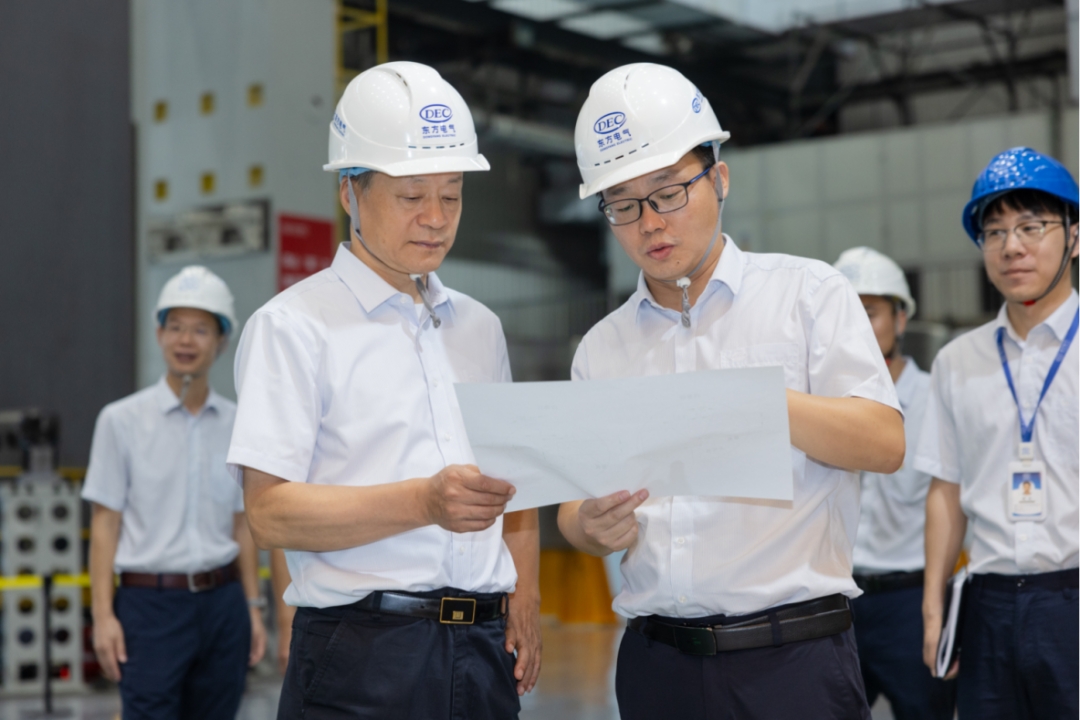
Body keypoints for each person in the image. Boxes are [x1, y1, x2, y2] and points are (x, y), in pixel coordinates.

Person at [556, 63, 904, 720]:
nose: (649, 223)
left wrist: (760, 402)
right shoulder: (603, 348)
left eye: (668, 192)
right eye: (622, 204)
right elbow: (576, 509)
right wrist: (590, 526)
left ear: (718, 178)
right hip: (657, 667)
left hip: (792, 661)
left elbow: (884, 442)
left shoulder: (808, 295)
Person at [227, 61, 541, 720]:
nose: (435, 218)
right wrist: (422, 501)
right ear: (350, 192)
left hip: (483, 650)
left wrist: (526, 597)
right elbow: (270, 514)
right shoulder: (294, 327)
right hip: (362, 655)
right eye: (410, 195)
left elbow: (516, 485)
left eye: (452, 195)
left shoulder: (479, 328)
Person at [916, 147, 1078, 719]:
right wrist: (933, 608)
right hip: (986, 604)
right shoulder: (957, 361)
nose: (1012, 247)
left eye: (1031, 227)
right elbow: (946, 489)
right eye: (994, 232)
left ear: (1075, 237)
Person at [84, 265, 267, 720]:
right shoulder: (120, 421)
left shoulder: (238, 424)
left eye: (201, 330)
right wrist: (103, 617)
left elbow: (242, 526)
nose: (186, 340)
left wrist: (251, 607)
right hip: (149, 607)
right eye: (176, 327)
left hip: (223, 604)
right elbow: (105, 525)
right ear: (159, 334)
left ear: (221, 341)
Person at [833, 247, 956, 720]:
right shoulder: (819, 406)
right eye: (845, 314)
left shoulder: (935, 399)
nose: (856, 327)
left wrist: (936, 610)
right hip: (837, 605)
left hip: (911, 603)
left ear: (901, 319)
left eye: (869, 313)